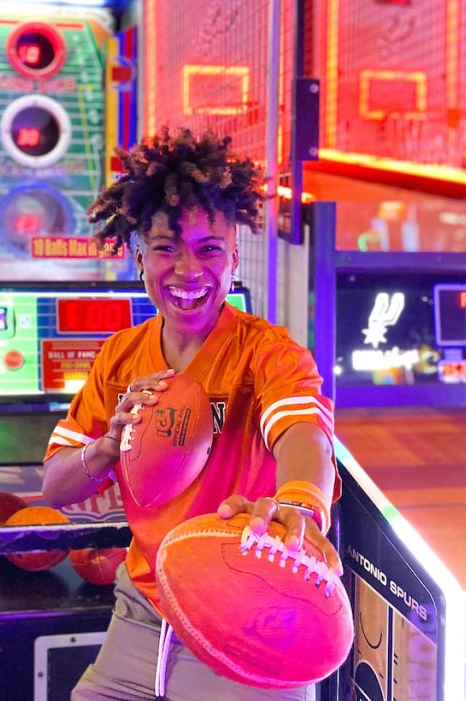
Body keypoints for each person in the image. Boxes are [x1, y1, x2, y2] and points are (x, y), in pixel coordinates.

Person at [42, 127, 342, 700]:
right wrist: (108, 447)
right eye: (165, 248)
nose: (186, 269)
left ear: (233, 259)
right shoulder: (120, 356)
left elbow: (304, 435)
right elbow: (54, 487)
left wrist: (301, 503)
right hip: (142, 613)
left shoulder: (266, 353)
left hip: (246, 613)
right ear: (138, 256)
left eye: (208, 249)